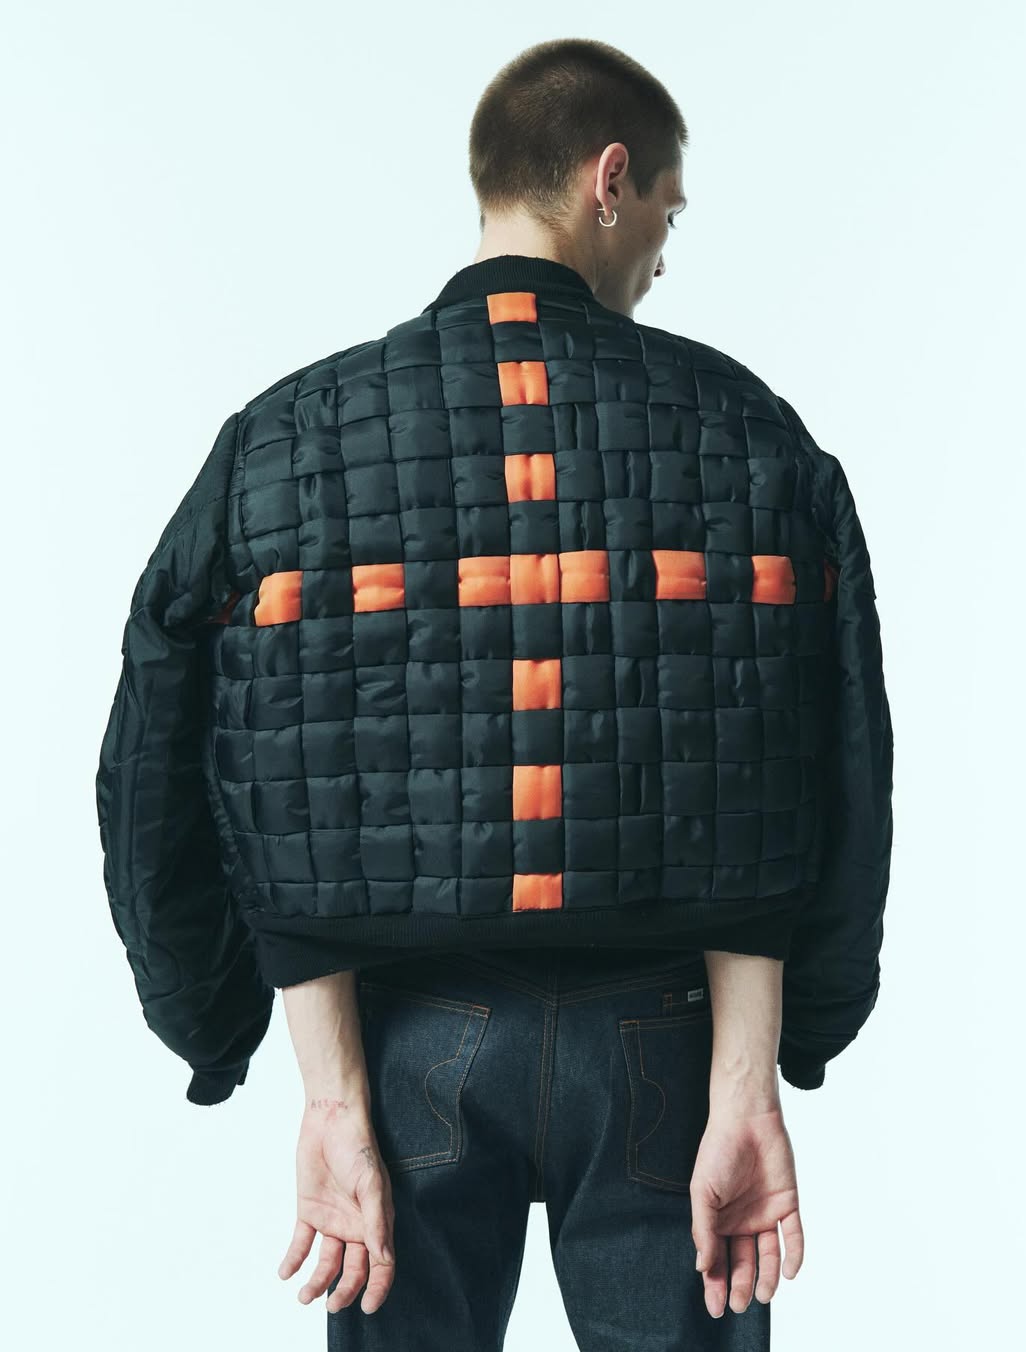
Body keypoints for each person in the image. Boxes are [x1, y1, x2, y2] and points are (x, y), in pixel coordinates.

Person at [95, 37, 894, 1352]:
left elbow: (169, 756)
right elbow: (821, 759)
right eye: (668, 214)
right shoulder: (750, 432)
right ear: (609, 180)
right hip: (668, 1040)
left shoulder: (283, 443)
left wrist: (272, 1057)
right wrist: (766, 1068)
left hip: (403, 1041)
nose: (662, 255)